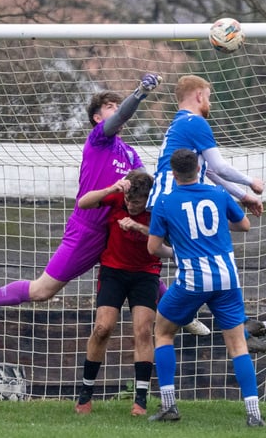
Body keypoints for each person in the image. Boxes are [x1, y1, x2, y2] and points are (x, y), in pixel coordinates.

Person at [0, 73, 161, 331]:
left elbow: (146, 185)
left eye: (118, 105)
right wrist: (140, 92)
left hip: (115, 227)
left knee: (144, 264)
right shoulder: (98, 139)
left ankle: (183, 311)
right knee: (42, 291)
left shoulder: (129, 152)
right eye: (110, 107)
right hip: (86, 229)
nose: (116, 110)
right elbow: (122, 116)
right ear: (97, 118)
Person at [146, 148, 266, 427]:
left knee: (163, 331)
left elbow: (153, 248)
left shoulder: (165, 201)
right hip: (227, 278)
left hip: (193, 279)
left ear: (173, 174)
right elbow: (245, 225)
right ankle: (254, 415)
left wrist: (179, 248)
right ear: (199, 170)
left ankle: (168, 406)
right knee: (237, 345)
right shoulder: (220, 194)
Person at [146, 74, 265, 339]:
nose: (209, 101)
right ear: (199, 95)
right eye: (208, 96)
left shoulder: (181, 124)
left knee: (198, 259)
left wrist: (242, 196)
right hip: (175, 199)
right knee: (211, 252)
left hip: (168, 199)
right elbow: (220, 166)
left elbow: (208, 171)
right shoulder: (195, 122)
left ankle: (198, 315)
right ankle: (214, 321)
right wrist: (250, 182)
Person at [73, 170, 164, 417]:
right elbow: (83, 202)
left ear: (147, 199)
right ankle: (85, 393)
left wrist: (139, 227)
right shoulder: (118, 196)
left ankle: (141, 400)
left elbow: (169, 244)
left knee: (143, 331)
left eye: (136, 203)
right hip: (113, 271)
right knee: (102, 329)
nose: (130, 205)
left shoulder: (159, 207)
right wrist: (112, 189)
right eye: (128, 201)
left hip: (146, 274)